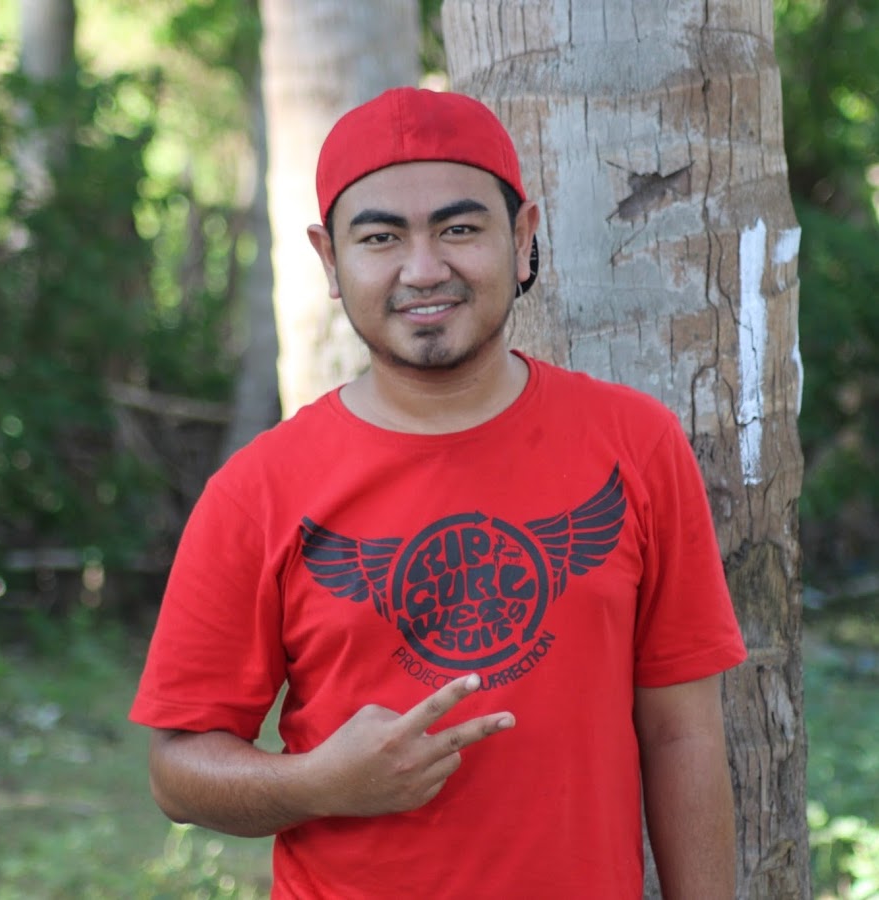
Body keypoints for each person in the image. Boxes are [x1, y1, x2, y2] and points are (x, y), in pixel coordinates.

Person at [130, 86, 747, 899]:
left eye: (459, 229)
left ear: (522, 240)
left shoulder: (636, 444)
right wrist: (319, 782)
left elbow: (682, 737)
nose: (424, 270)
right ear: (329, 260)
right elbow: (177, 772)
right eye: (380, 237)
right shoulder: (260, 489)